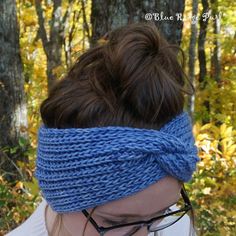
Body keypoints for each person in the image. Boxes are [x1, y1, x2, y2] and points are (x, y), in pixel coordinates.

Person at [6, 21, 200, 236]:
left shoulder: (177, 229)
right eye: (116, 222)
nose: (145, 235)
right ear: (60, 195)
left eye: (162, 211)